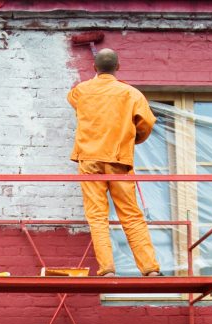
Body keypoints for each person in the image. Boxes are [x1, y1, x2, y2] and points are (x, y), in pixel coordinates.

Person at [67, 48, 161, 277]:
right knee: (130, 214)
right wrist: (133, 139)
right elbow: (147, 123)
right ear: (118, 67)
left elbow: (73, 99)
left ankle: (107, 268)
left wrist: (95, 81)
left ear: (94, 68)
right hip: (119, 159)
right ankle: (149, 268)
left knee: (97, 216)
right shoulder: (131, 93)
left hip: (90, 160)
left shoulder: (82, 91)